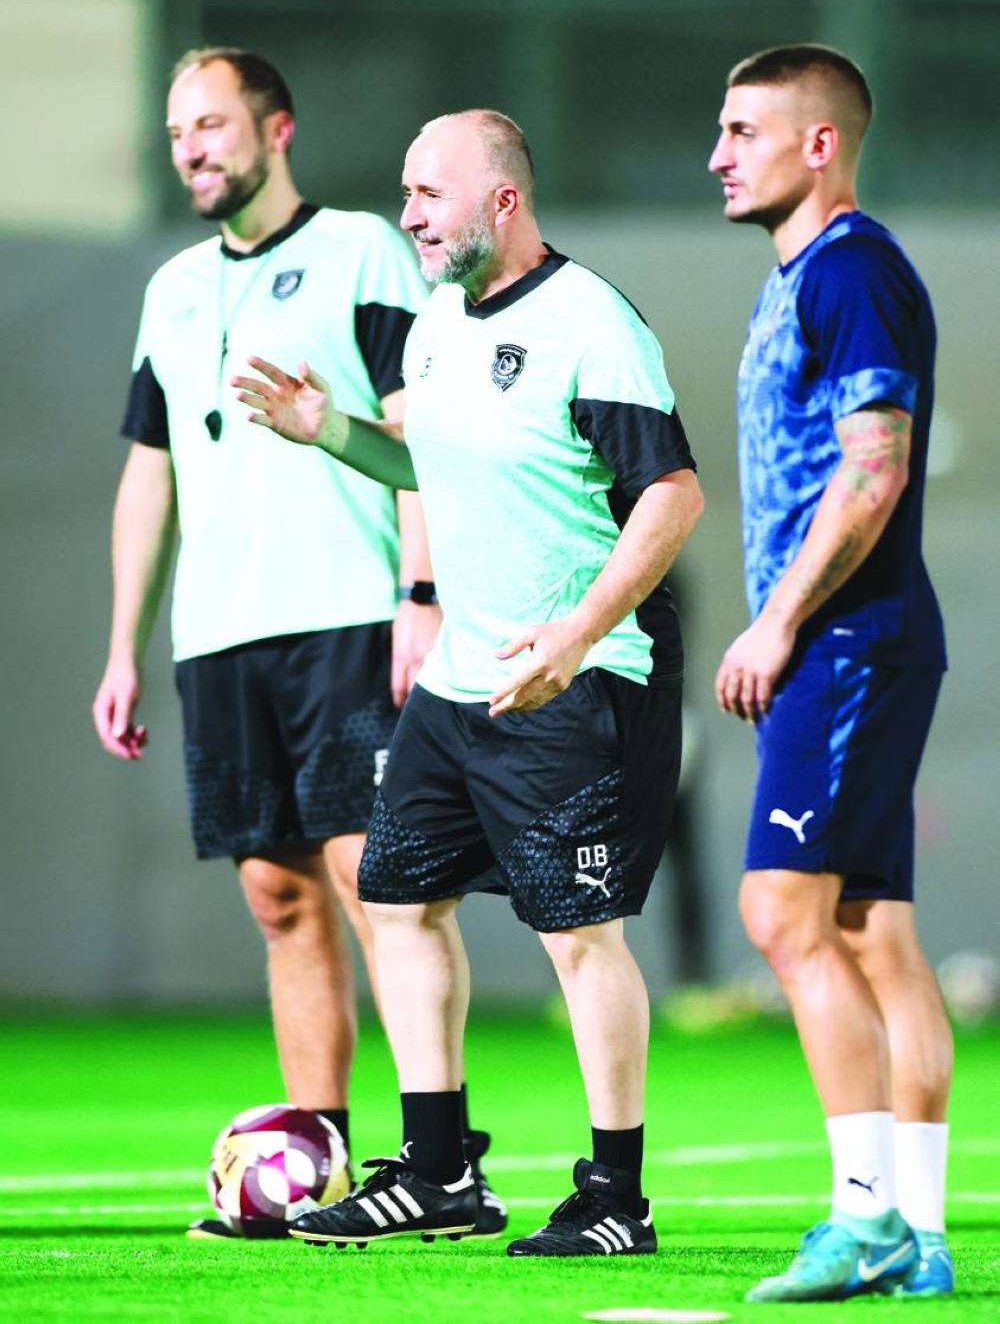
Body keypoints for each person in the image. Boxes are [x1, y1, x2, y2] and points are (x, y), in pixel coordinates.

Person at [231, 108, 703, 1256]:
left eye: (428, 194)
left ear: (501, 199)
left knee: (579, 932)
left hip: (583, 679)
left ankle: (614, 1198)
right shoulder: (438, 322)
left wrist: (576, 634)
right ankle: (440, 1174)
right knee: (396, 904)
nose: (408, 215)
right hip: (459, 684)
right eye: (403, 192)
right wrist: (330, 427)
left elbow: (673, 494)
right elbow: (428, 466)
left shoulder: (592, 324)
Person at [92, 49, 506, 1241]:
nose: (192, 147)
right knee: (279, 896)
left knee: (377, 883)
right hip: (218, 633)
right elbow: (148, 468)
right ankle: (316, 1169)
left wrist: (420, 589)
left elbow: (413, 419)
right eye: (178, 130)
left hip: (347, 616)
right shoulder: (168, 286)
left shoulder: (364, 247)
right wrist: (123, 642)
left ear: (277, 129)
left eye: (213, 123)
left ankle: (437, 1160)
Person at [709, 44, 953, 1302]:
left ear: (819, 143)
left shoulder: (850, 266)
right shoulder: (816, 271)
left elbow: (874, 463)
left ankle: (861, 1219)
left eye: (743, 130)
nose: (716, 154)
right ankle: (920, 1227)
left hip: (844, 640)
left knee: (780, 916)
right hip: (864, 636)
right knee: (871, 929)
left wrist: (777, 623)